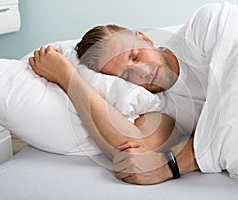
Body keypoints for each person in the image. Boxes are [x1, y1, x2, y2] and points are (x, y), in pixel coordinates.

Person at [29, 3, 222, 184]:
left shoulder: (202, 29)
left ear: (145, 39)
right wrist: (68, 77)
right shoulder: (162, 107)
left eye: (136, 56)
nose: (144, 72)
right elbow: (132, 148)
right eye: (127, 75)